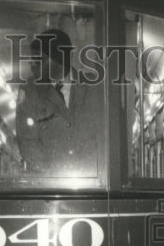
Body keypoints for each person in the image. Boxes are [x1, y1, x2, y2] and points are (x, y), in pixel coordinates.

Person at [16, 28, 101, 175]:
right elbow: (28, 144)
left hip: (91, 185)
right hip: (50, 187)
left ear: (59, 59)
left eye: (39, 59)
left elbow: (103, 142)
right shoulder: (30, 93)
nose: (32, 64)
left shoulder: (95, 91)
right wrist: (57, 176)